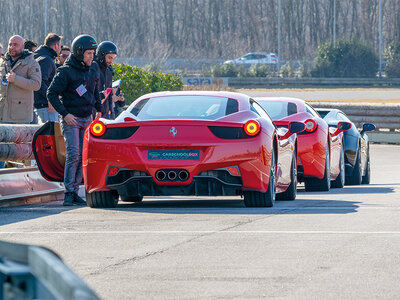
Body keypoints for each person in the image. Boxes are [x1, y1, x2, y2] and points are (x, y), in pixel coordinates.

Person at [47, 34, 102, 206]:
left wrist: (98, 110)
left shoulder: (93, 69)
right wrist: (65, 114)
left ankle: (76, 189)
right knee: (74, 155)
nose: (92, 57)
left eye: (93, 53)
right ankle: (68, 192)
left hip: (87, 117)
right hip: (71, 119)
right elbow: (51, 93)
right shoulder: (65, 71)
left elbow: (95, 91)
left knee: (84, 156)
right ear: (79, 53)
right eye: (89, 53)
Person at [0, 35, 41, 124]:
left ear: (23, 47)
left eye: (15, 45)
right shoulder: (3, 62)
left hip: (20, 117)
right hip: (3, 115)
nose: (12, 47)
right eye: (10, 44)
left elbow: (36, 85)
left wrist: (16, 79)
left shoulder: (31, 63)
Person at [34, 33, 62, 124]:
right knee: (50, 136)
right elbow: (40, 82)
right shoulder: (46, 60)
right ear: (56, 46)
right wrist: (50, 98)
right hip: (46, 107)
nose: (60, 49)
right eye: (60, 46)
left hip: (43, 105)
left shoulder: (42, 57)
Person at [92, 41, 124, 119]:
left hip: (106, 114)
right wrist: (96, 110)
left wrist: (112, 113)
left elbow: (109, 93)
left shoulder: (109, 72)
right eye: (109, 57)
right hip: (93, 112)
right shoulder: (93, 68)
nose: (111, 61)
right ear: (102, 56)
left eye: (113, 58)